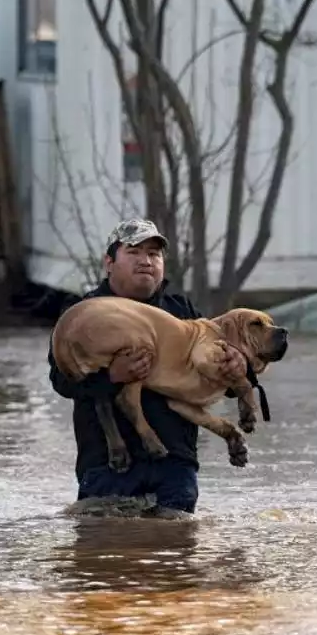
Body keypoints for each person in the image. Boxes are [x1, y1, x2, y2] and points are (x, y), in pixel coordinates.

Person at [47, 218, 247, 515]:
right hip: (107, 466)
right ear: (109, 262)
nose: (146, 261)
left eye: (154, 254)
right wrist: (111, 376)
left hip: (175, 467)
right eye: (134, 252)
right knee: (104, 557)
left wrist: (237, 368)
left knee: (174, 555)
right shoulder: (83, 313)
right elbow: (61, 380)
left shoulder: (183, 312)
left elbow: (213, 379)